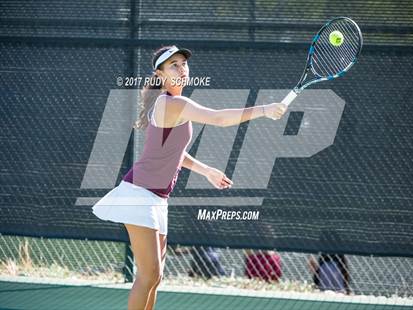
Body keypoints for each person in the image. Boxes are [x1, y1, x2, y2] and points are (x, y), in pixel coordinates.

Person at [92, 45, 288, 310]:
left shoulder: (174, 106)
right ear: (160, 74)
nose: (182, 68)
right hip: (139, 195)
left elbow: (175, 154)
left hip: (157, 199)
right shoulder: (170, 103)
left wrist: (206, 170)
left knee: (156, 276)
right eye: (174, 65)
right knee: (147, 275)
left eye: (183, 63)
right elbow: (218, 119)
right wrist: (264, 109)